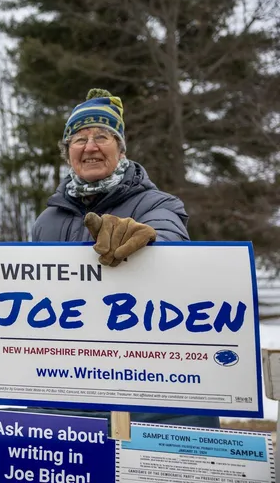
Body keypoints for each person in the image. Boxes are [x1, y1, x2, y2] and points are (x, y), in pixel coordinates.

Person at [29, 88, 219, 429]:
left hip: (149, 389)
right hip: (68, 389)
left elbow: (172, 244)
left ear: (121, 149)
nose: (90, 146)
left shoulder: (157, 204)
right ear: (67, 152)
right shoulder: (47, 221)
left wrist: (147, 239)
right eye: (79, 139)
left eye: (102, 136)